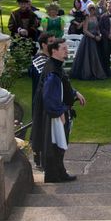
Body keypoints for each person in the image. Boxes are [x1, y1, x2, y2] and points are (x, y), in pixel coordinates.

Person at [32, 38, 86, 182]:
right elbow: (49, 95)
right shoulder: (53, 71)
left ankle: (58, 172)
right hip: (55, 115)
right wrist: (60, 112)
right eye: (63, 48)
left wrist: (74, 93)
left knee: (58, 144)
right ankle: (54, 175)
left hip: (56, 113)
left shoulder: (55, 66)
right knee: (56, 144)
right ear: (54, 51)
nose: (67, 51)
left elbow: (62, 84)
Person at [29, 32, 56, 169]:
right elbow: (48, 80)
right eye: (51, 42)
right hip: (41, 102)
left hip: (46, 100)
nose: (54, 44)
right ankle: (38, 158)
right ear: (44, 45)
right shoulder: (40, 60)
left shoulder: (48, 59)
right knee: (39, 129)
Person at [70, 4, 107, 80]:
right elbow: (85, 30)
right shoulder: (86, 18)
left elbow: (97, 28)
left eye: (93, 9)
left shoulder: (96, 18)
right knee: (89, 55)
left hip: (97, 38)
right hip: (89, 39)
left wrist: (99, 35)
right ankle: (89, 72)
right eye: (90, 9)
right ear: (88, 10)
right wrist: (94, 37)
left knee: (98, 55)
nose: (92, 11)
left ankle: (98, 70)